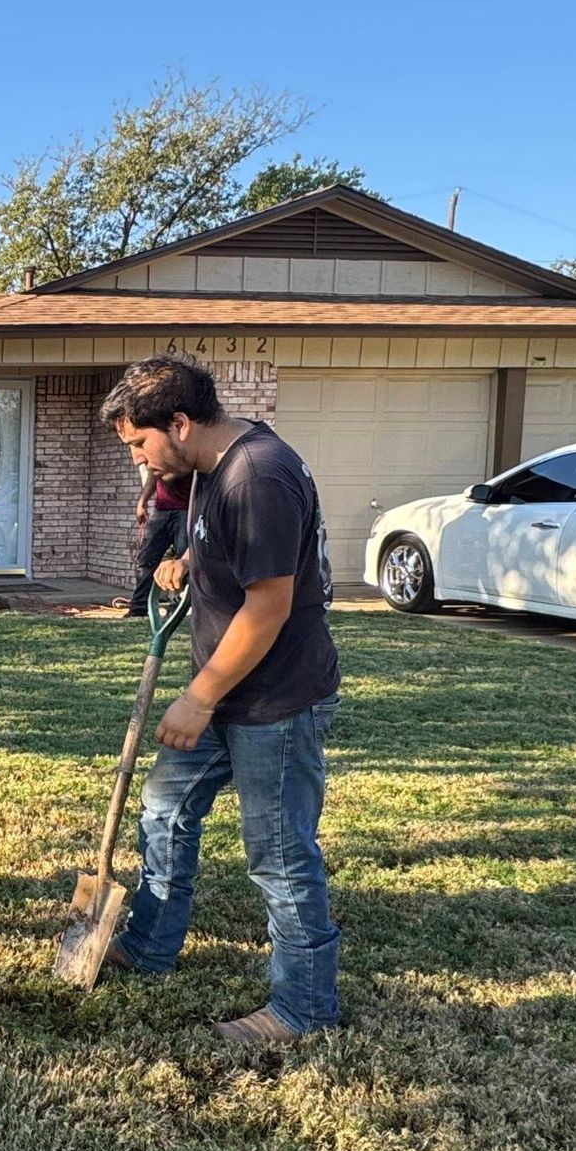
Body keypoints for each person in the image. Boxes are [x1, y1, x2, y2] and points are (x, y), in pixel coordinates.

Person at [97, 355, 342, 1044]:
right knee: (165, 807)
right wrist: (188, 561)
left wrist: (198, 698)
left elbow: (268, 607)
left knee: (280, 853)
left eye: (141, 445)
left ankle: (304, 1010)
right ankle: (149, 945)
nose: (141, 462)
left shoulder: (257, 476)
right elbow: (235, 554)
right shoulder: (207, 468)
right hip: (228, 689)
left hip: (276, 701)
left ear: (179, 423)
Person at [128, 465, 192, 616]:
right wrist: (142, 501)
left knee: (185, 563)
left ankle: (187, 607)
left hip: (186, 510)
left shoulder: (185, 448)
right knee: (146, 559)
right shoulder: (158, 456)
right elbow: (153, 475)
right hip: (161, 510)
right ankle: (139, 608)